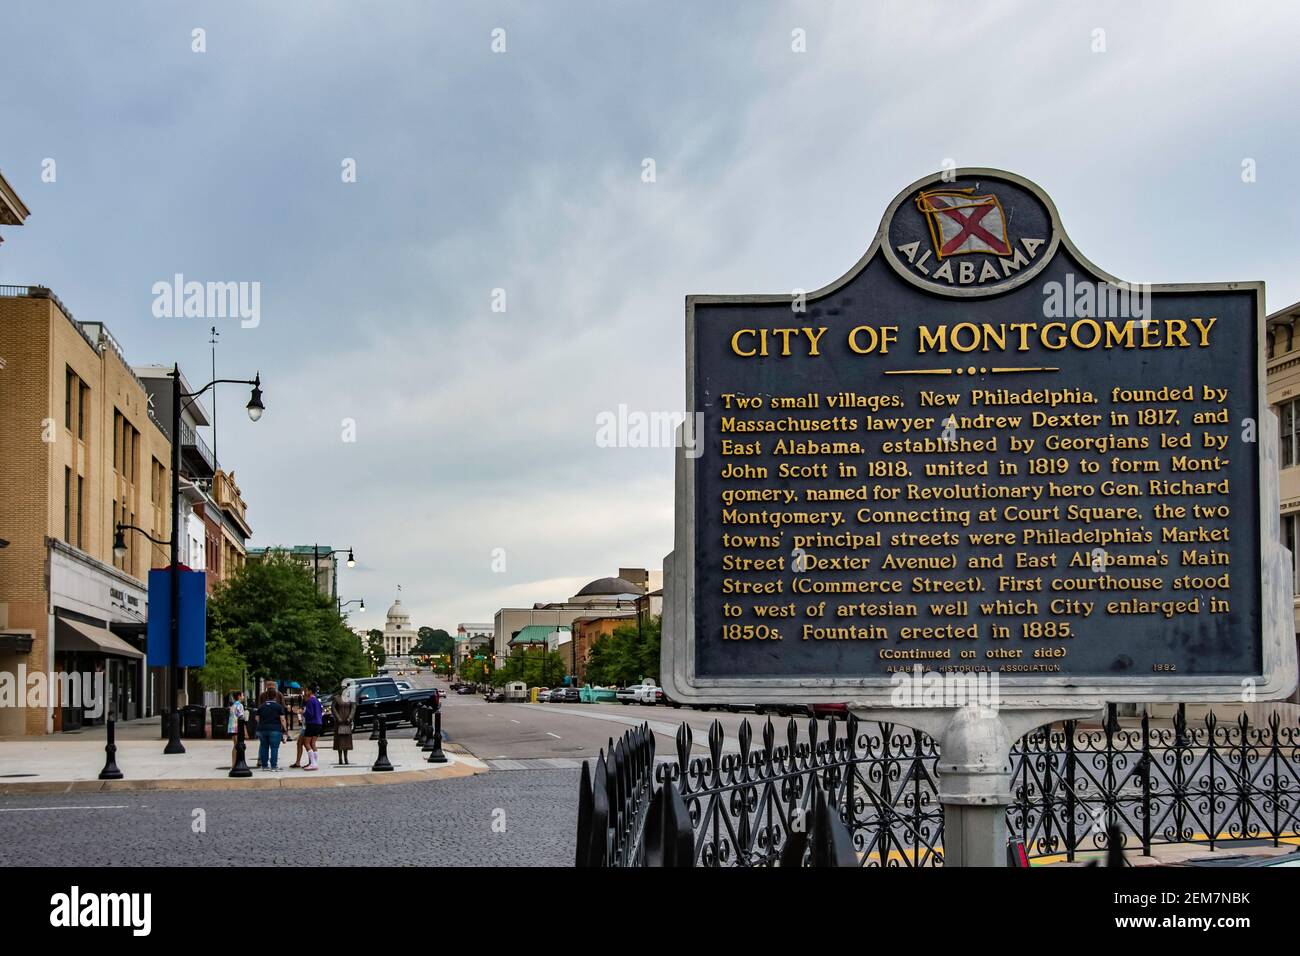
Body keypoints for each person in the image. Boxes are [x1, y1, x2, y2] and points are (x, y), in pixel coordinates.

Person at [255, 689, 288, 771]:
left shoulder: (261, 706)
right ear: (275, 696)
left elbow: (257, 717)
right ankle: (273, 766)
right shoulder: (278, 707)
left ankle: (264, 766)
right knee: (274, 748)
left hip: (262, 729)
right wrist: (285, 729)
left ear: (267, 696)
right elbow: (282, 719)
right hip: (275, 729)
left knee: (263, 747)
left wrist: (262, 722)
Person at [294, 685, 323, 771]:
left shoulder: (310, 700)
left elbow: (310, 714)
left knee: (307, 743)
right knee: (313, 743)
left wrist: (303, 712)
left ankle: (313, 763)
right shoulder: (317, 701)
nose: (306, 692)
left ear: (310, 691)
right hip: (319, 723)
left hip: (311, 723)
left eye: (307, 691)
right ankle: (315, 762)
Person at [332, 685, 355, 766]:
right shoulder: (336, 698)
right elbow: (333, 708)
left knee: (346, 740)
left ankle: (346, 757)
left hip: (347, 722)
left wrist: (350, 717)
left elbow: (353, 708)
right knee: (339, 740)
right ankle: (340, 758)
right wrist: (338, 717)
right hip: (339, 722)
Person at [226, 691, 246, 769]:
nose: (243, 697)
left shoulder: (233, 705)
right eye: (242, 695)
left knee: (235, 746)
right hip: (238, 728)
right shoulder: (240, 705)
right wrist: (245, 730)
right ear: (239, 696)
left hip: (232, 727)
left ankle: (233, 764)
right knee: (239, 746)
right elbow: (241, 718)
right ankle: (237, 763)